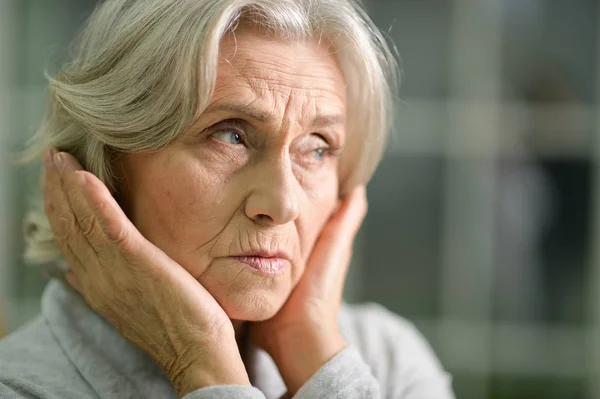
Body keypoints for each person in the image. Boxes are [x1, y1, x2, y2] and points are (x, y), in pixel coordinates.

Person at [0, 0, 455, 398]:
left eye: (317, 147)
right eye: (231, 135)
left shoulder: (388, 359)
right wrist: (200, 361)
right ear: (104, 165)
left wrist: (310, 349)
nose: (282, 204)